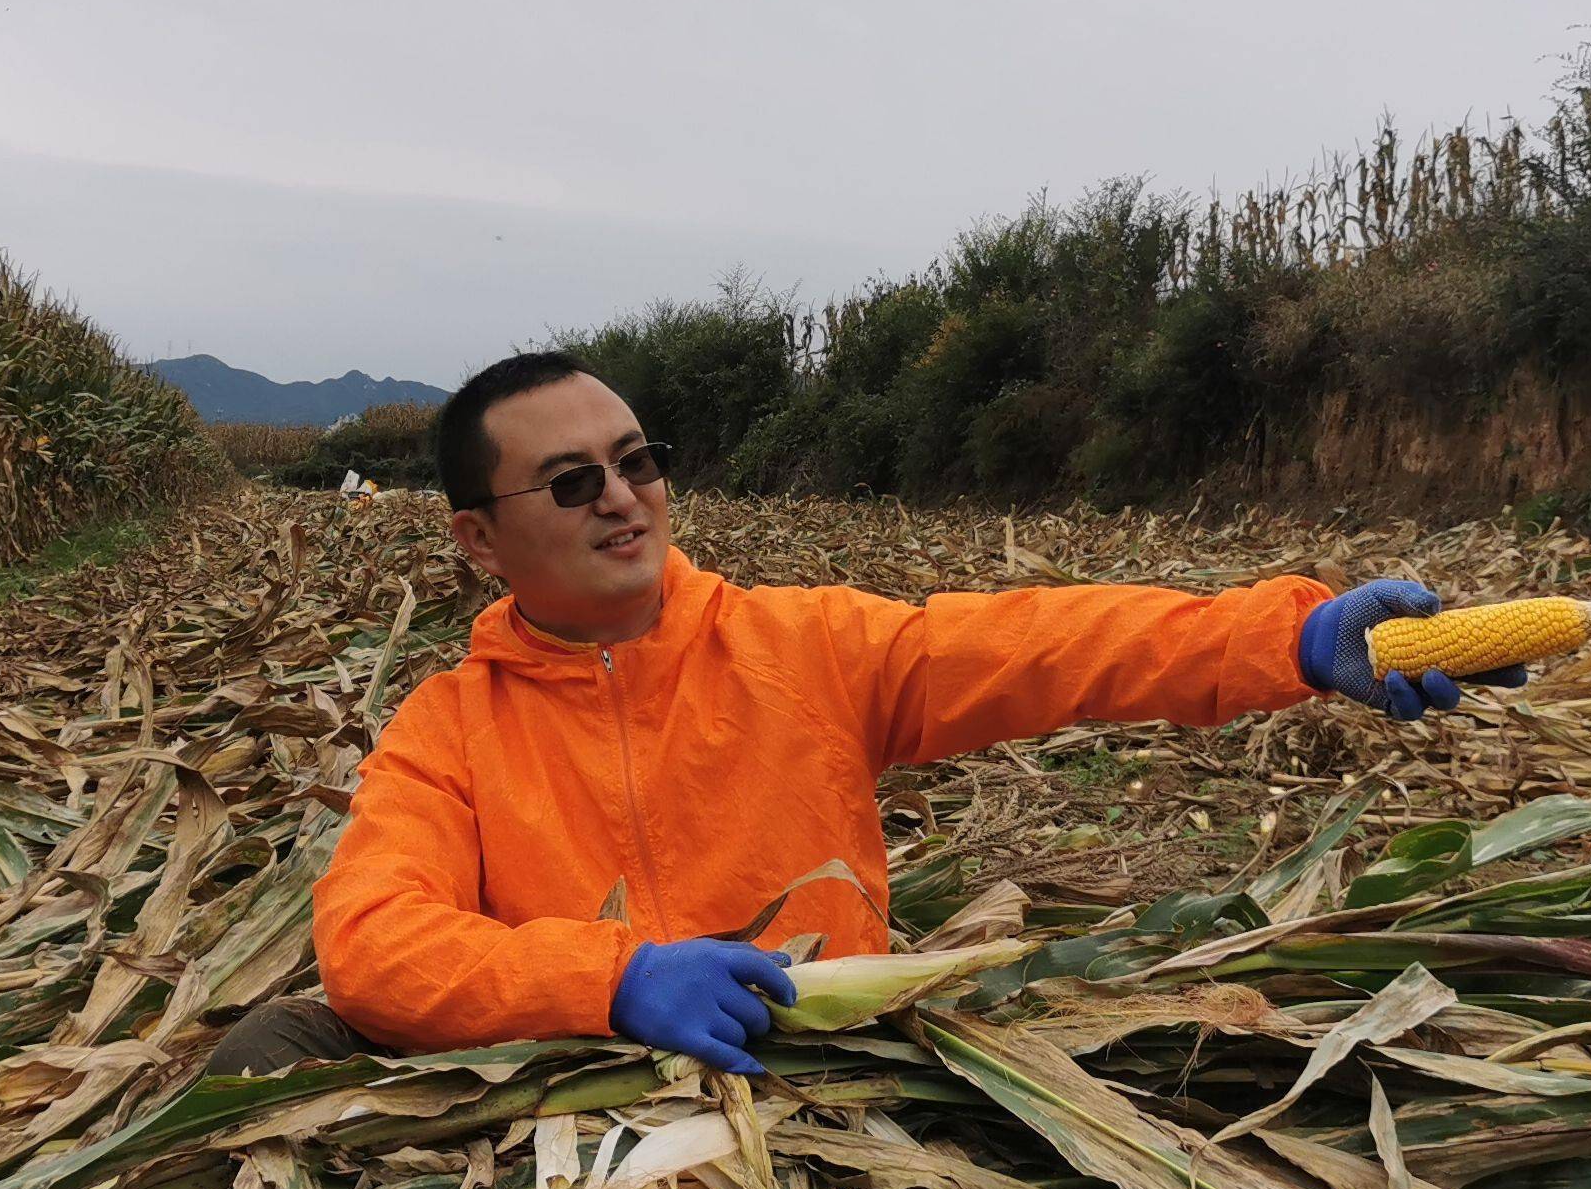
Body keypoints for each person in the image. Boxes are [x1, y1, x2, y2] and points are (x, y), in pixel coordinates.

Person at [197, 350, 1514, 1078]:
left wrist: (1287, 635)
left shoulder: (804, 646)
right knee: (266, 1055)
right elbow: (376, 944)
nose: (623, 498)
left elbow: (1047, 649)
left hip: (802, 1061)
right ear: (481, 543)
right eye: (571, 481)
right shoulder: (449, 728)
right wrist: (615, 980)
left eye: (637, 464)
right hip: (554, 1069)